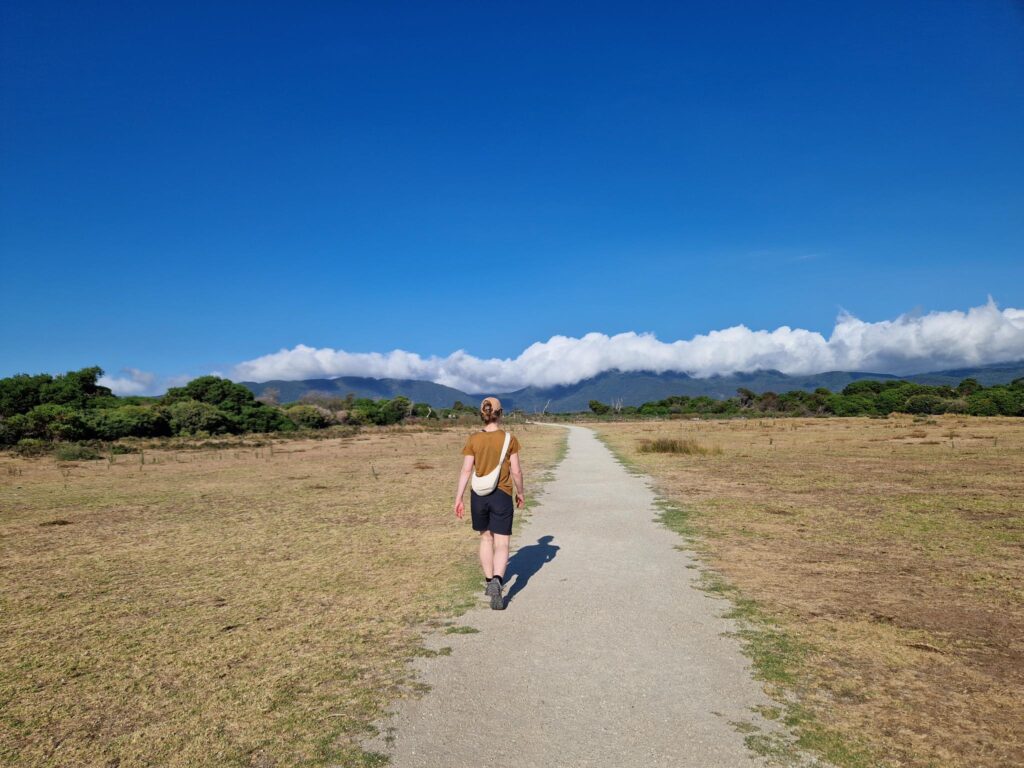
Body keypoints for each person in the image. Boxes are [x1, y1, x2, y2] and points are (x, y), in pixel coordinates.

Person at [453, 396, 525, 610]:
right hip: (502, 494)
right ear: (500, 414)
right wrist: (520, 492)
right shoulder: (509, 439)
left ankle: (488, 581)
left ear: (482, 414)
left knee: (486, 539)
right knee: (502, 543)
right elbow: (516, 471)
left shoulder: (473, 439)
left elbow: (466, 470)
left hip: (478, 495)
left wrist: (458, 498)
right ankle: (497, 581)